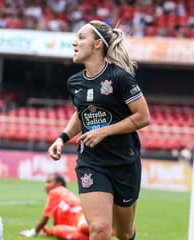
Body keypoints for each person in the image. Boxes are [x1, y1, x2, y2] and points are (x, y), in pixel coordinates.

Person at [48, 20, 151, 240]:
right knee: (100, 229)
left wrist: (104, 131)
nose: (75, 42)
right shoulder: (74, 82)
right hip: (92, 162)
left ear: (97, 44)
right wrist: (62, 138)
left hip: (124, 161)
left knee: (123, 233)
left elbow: (143, 117)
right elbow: (80, 113)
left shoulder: (120, 77)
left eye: (81, 37)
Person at [19, 172, 89, 240]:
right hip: (84, 219)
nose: (46, 185)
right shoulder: (66, 194)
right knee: (57, 230)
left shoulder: (55, 191)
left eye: (49, 182)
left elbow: (45, 218)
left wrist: (33, 232)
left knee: (80, 229)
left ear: (59, 184)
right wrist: (49, 232)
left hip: (81, 220)